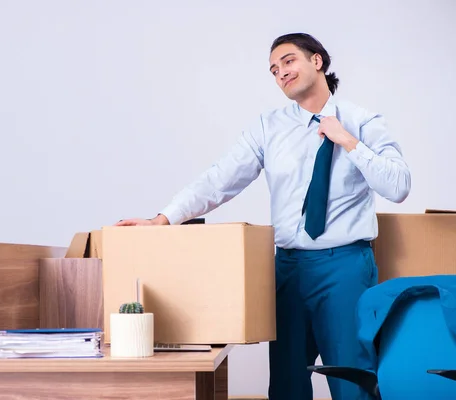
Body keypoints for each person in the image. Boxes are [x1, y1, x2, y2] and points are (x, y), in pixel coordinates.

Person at [116, 32, 411, 400]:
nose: (281, 73)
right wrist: (163, 219)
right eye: (273, 70)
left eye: (288, 61)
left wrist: (348, 142)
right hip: (288, 268)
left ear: (316, 61)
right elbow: (219, 179)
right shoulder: (267, 127)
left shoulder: (363, 121)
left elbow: (398, 185)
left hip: (345, 267)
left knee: (352, 383)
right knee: (286, 386)